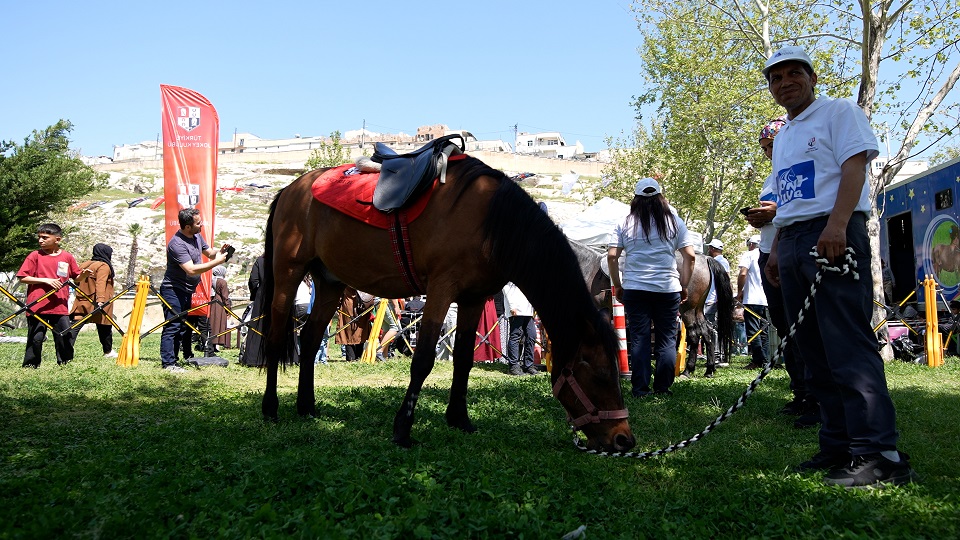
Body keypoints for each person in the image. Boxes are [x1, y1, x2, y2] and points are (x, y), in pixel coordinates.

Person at [763, 45, 916, 486]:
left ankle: (879, 453)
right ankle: (837, 446)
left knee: (846, 343)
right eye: (776, 77)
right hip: (792, 240)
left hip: (831, 233)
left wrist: (837, 225)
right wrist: (776, 251)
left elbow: (855, 170)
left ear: (812, 78)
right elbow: (788, 200)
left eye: (795, 73)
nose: (785, 82)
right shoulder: (785, 134)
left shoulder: (839, 112)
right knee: (812, 350)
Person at [745, 116, 819, 427]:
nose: (768, 152)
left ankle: (818, 396)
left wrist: (776, 211)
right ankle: (800, 391)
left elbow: (808, 205)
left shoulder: (806, 165)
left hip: (794, 250)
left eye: (772, 144)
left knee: (804, 324)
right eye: (764, 148)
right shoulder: (771, 178)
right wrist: (759, 217)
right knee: (783, 324)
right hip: (769, 252)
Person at [608, 177, 696, 397]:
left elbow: (612, 257)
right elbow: (690, 256)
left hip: (635, 289)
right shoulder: (674, 222)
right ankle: (663, 388)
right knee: (667, 339)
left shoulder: (624, 222)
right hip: (667, 289)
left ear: (636, 198)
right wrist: (683, 284)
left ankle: (640, 388)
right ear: (660, 197)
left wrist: (618, 285)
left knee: (639, 338)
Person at [158, 208, 230, 373]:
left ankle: (175, 360)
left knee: (182, 326)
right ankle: (168, 363)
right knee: (173, 325)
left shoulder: (196, 236)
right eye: (198, 223)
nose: (202, 225)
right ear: (187, 227)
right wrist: (217, 262)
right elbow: (190, 270)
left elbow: (210, 253)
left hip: (187, 290)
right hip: (173, 290)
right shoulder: (176, 244)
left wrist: (220, 252)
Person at [17, 223, 87, 368]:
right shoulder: (34, 256)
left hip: (59, 305)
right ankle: (31, 365)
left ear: (57, 239)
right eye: (39, 238)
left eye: (45, 237)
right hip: (37, 305)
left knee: (64, 336)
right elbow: (22, 277)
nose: (40, 241)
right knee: (36, 338)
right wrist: (45, 280)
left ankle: (65, 364)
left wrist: (83, 275)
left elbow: (76, 277)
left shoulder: (67, 257)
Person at [69, 243, 117, 358]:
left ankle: (66, 348)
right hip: (98, 301)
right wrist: (100, 300)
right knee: (104, 327)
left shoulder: (85, 264)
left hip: (82, 299)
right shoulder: (103, 266)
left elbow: (76, 280)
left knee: (76, 325)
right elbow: (101, 283)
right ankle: (108, 351)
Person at [737, 235, 769, 369]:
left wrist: (739, 291)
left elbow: (743, 273)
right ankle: (765, 358)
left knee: (753, 331)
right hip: (766, 299)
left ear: (751, 244)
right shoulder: (767, 254)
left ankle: (757, 360)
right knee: (764, 330)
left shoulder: (749, 255)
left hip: (752, 299)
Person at [702, 238, 730, 367]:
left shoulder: (711, 262)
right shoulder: (724, 262)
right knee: (716, 326)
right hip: (717, 298)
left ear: (713, 249)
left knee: (711, 327)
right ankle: (720, 354)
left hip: (711, 298)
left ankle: (716, 354)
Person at [503, 282, 538, 375]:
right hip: (516, 310)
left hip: (528, 310)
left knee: (532, 335)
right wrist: (512, 306)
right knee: (515, 336)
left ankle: (528, 365)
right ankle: (513, 366)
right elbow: (506, 288)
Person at [240, 255, 266, 367]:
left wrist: (256, 294)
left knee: (258, 327)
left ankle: (254, 358)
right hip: (281, 296)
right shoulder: (284, 258)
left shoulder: (260, 260)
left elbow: (253, 280)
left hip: (263, 296)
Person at [335, 288, 371, 361]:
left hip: (359, 304)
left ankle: (353, 357)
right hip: (356, 304)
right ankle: (354, 356)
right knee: (353, 331)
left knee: (353, 331)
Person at [206, 265, 232, 354]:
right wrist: (228, 308)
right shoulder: (222, 282)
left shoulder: (211, 280)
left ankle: (211, 344)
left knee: (212, 324)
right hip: (220, 305)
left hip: (212, 302)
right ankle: (215, 344)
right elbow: (225, 297)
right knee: (218, 324)